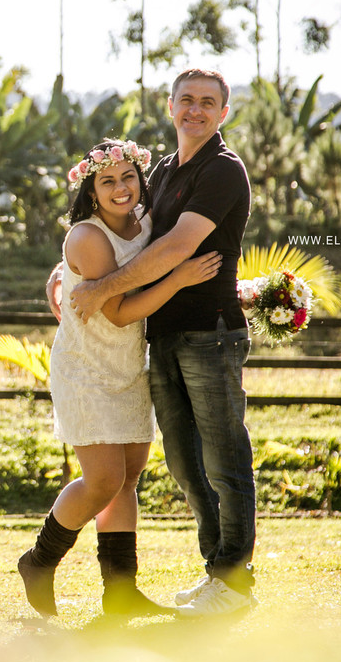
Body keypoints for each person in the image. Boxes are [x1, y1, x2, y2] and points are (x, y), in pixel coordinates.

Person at [60, 68, 257, 618]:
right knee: (184, 464)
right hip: (162, 336)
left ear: (223, 112)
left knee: (225, 459)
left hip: (210, 332)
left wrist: (100, 290)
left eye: (208, 102)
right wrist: (66, 275)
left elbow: (175, 248)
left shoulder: (222, 171)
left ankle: (235, 580)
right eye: (187, 100)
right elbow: (117, 235)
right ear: (170, 106)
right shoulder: (166, 171)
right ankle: (216, 570)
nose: (196, 109)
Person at [18, 138, 221, 619]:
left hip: (130, 367)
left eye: (128, 177)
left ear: (140, 180)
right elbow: (121, 311)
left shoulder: (147, 224)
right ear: (90, 190)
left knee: (127, 478)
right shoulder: (87, 237)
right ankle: (39, 560)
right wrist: (177, 278)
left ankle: (121, 591)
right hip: (86, 369)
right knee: (103, 479)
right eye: (107, 181)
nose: (120, 188)